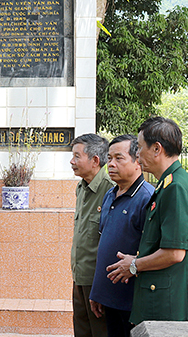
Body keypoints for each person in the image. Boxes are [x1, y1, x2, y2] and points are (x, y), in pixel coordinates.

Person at [107, 117, 188, 324]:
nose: (137, 154)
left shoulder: (176, 187)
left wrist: (134, 265)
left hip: (172, 303)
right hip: (164, 298)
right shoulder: (168, 184)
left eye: (140, 147)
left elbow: (174, 253)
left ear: (156, 149)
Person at [88, 135, 154, 337]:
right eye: (109, 158)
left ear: (138, 161)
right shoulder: (110, 195)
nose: (111, 164)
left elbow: (152, 251)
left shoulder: (147, 198)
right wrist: (98, 291)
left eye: (119, 158)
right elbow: (105, 244)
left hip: (131, 300)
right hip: (109, 297)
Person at [70, 133, 115, 337]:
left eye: (77, 156)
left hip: (99, 282)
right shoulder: (81, 187)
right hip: (80, 277)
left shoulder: (111, 190)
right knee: (81, 331)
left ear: (95, 160)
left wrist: (100, 287)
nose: (72, 161)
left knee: (101, 332)